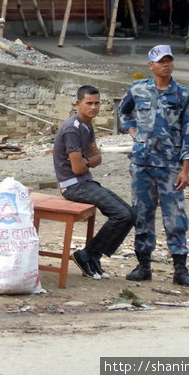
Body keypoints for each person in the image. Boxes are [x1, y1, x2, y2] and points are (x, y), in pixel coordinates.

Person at [118, 45, 189, 288]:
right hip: (142, 163)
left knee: (175, 218)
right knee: (142, 214)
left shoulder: (184, 96)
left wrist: (186, 169)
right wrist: (133, 131)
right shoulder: (138, 89)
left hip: (170, 166)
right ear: (150, 65)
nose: (166, 64)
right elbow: (123, 112)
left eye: (169, 60)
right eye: (160, 61)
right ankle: (143, 265)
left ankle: (180, 269)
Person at [53, 85, 135, 280]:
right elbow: (78, 168)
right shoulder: (71, 129)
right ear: (78, 104)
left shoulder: (87, 125)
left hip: (85, 182)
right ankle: (85, 255)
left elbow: (94, 158)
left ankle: (93, 255)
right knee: (121, 215)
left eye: (97, 103)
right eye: (89, 103)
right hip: (73, 186)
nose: (94, 107)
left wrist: (88, 161)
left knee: (131, 214)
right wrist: (90, 161)